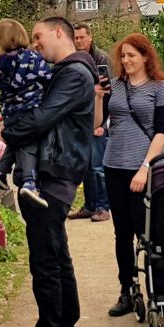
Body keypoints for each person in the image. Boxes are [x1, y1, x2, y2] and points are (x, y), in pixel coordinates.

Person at [1, 15, 97, 327]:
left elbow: (41, 118)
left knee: (46, 265)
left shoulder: (73, 74)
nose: (34, 44)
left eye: (38, 36)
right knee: (57, 259)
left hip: (53, 175)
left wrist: (9, 128)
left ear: (60, 33)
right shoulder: (69, 73)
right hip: (55, 172)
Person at [101, 34, 164, 319]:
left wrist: (145, 167)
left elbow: (161, 132)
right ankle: (127, 288)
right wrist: (98, 98)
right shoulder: (115, 87)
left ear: (145, 57)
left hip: (142, 167)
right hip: (114, 164)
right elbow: (99, 123)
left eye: (131, 55)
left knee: (148, 231)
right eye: (122, 56)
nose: (126, 60)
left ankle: (159, 288)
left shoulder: (159, 88)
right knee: (122, 234)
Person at [0, 19, 52, 207]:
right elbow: (47, 76)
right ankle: (29, 182)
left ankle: (0, 171)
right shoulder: (32, 58)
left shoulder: (1, 63)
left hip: (10, 112)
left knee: (14, 142)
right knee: (28, 145)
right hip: (28, 109)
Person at [69, 23, 114, 223]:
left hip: (99, 118)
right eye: (76, 38)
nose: (78, 41)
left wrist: (103, 124)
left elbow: (110, 92)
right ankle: (90, 205)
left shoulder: (101, 59)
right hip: (81, 120)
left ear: (90, 37)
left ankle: (103, 206)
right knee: (86, 166)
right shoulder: (72, 60)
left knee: (98, 166)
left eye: (81, 37)